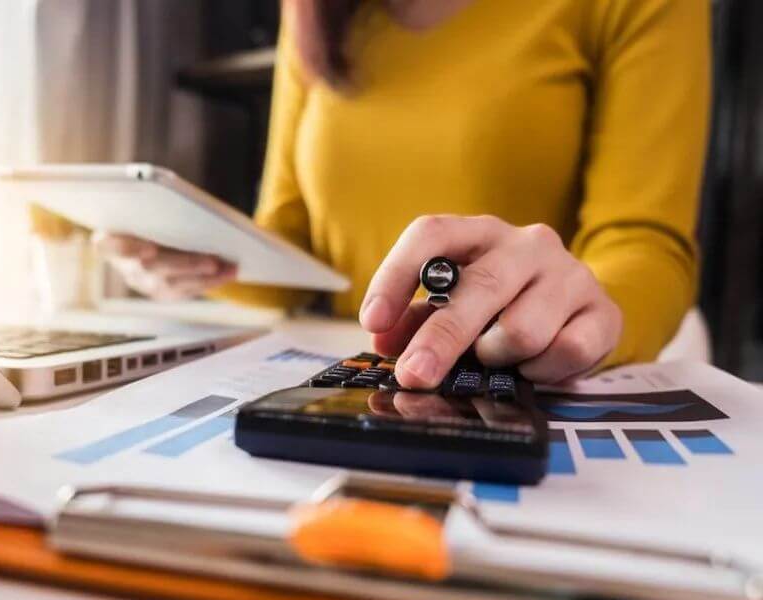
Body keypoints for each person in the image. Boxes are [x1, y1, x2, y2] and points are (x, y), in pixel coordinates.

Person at [97, 0, 709, 388]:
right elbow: (294, 241)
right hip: (350, 375)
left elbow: (645, 240)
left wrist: (588, 314)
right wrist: (198, 256)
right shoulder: (313, 12)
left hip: (506, 375)